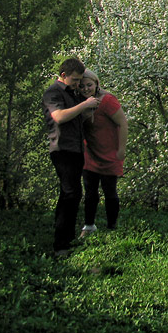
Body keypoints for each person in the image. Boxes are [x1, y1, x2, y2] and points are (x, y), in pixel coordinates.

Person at [42, 58, 100, 256]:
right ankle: (61, 246)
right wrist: (83, 106)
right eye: (75, 80)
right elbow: (58, 117)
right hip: (62, 149)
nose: (77, 84)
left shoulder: (71, 94)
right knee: (70, 194)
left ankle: (66, 239)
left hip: (75, 149)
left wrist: (89, 108)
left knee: (72, 195)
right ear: (64, 75)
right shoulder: (53, 92)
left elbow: (75, 117)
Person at [79, 69, 128, 237]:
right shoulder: (81, 103)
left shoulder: (107, 101)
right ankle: (89, 225)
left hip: (110, 153)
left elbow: (122, 123)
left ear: (96, 84)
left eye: (89, 85)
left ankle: (112, 226)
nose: (86, 89)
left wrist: (121, 149)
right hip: (90, 153)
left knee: (110, 191)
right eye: (82, 86)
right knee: (90, 191)